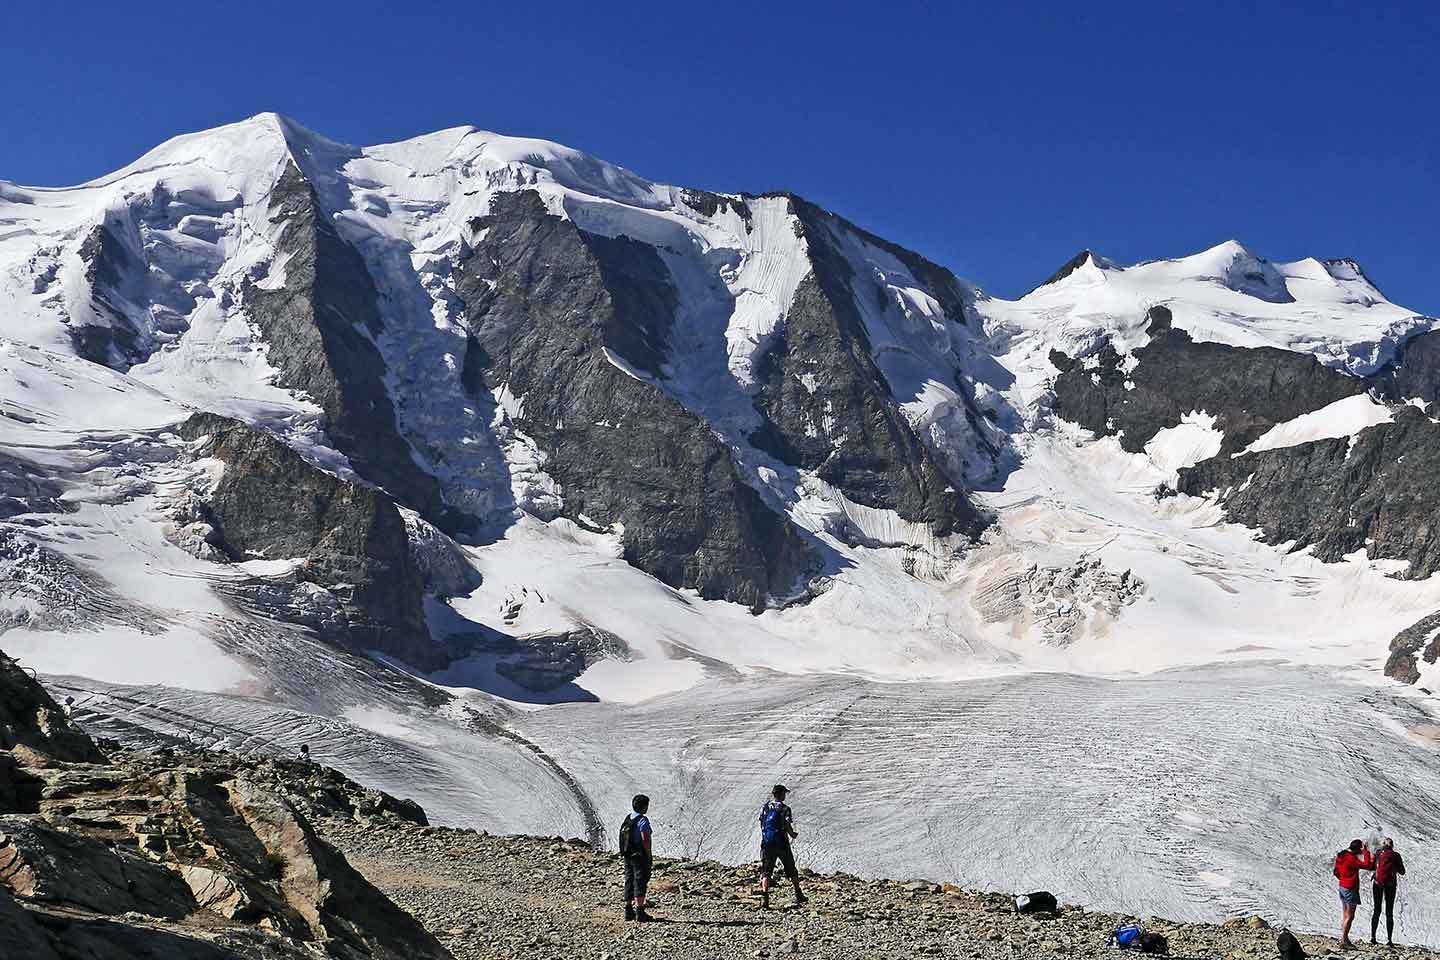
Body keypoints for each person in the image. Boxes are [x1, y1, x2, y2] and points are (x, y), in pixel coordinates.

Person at [758, 784, 806, 910]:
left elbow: (761, 822)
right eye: (784, 793)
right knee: (791, 868)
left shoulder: (765, 807)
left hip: (767, 843)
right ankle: (798, 893)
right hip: (782, 843)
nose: (785, 795)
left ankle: (765, 898)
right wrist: (792, 834)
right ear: (781, 794)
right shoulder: (785, 809)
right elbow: (787, 824)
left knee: (766, 871)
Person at [1334, 838, 1375, 950]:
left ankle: (1344, 938)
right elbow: (1366, 865)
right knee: (1350, 916)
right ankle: (1344, 940)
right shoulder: (1351, 858)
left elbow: (1336, 871)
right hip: (1350, 888)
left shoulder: (1342, 856)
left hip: (1342, 886)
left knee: (1345, 914)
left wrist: (1343, 878)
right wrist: (1366, 852)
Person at [620, 794, 653, 921]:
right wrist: (648, 853)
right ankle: (640, 911)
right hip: (639, 855)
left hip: (628, 855)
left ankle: (628, 910)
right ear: (644, 807)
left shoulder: (628, 818)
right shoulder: (642, 820)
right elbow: (645, 837)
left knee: (629, 879)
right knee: (640, 880)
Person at [1371, 837, 1406, 946]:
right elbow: (1402, 872)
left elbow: (1372, 866)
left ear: (1383, 845)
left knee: (1376, 910)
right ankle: (1389, 940)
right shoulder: (1396, 855)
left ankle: (1373, 937)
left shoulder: (1378, 853)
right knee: (1389, 912)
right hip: (1390, 885)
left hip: (1377, 883)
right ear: (1392, 845)